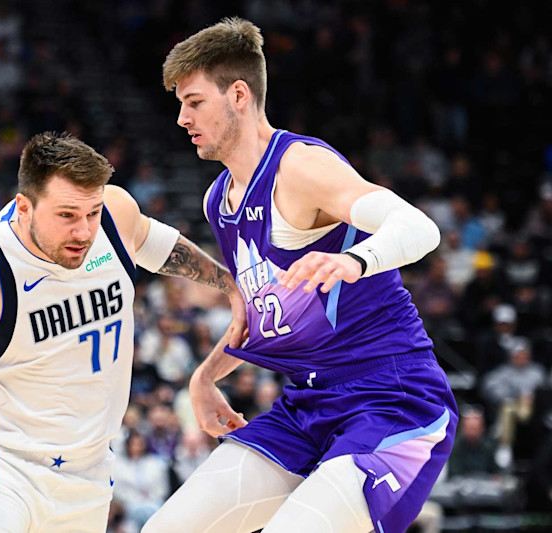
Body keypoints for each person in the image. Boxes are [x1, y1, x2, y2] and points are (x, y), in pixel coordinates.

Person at [144, 18, 458, 533]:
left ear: (238, 95)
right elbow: (257, 315)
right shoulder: (217, 201)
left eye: (194, 101)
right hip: (308, 404)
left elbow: (419, 227)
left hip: (390, 400)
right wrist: (204, 377)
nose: (181, 117)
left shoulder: (298, 167)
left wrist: (352, 260)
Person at [0, 132, 245, 533]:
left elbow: (159, 245)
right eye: (67, 215)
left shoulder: (115, 214)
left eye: (92, 213)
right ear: (24, 207)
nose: (84, 232)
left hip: (88, 476)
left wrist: (230, 285)